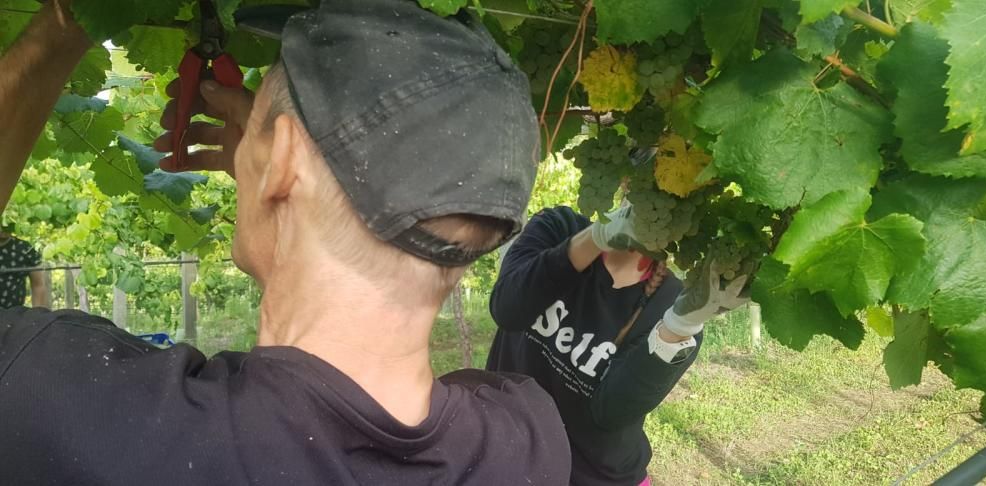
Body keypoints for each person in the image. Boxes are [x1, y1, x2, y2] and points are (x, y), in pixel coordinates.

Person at [0, 1, 571, 484]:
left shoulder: (68, 411)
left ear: (284, 160)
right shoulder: (527, 440)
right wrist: (278, 174)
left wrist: (61, 28)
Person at [487, 204, 749, 485]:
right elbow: (508, 309)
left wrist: (680, 326)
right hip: (507, 454)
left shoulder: (676, 304)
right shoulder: (558, 227)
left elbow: (611, 413)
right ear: (627, 178)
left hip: (593, 477)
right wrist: (596, 238)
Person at [0, 230, 48, 308]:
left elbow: (38, 285)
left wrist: (37, 315)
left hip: (15, 314)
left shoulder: (25, 249)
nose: (4, 227)